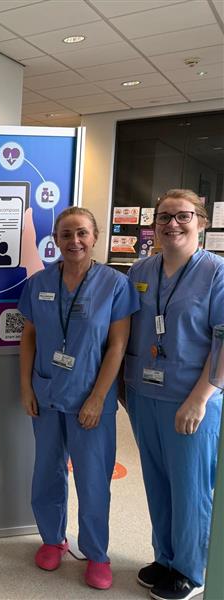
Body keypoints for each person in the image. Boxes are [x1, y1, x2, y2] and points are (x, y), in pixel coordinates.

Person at [18, 206, 139, 590]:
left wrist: (96, 398)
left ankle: (97, 553)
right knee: (46, 473)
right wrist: (25, 387)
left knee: (92, 480)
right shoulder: (38, 283)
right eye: (66, 234)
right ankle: (53, 540)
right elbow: (29, 338)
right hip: (47, 392)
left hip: (92, 399)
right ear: (55, 239)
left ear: (95, 236)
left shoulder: (114, 284)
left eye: (82, 233)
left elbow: (118, 345)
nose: (74, 241)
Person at [124, 189, 224, 600]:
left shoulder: (216, 272)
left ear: (200, 221)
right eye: (164, 217)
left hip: (191, 398)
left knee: (190, 486)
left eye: (182, 216)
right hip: (143, 394)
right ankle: (164, 557)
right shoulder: (140, 270)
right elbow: (124, 330)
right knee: (158, 482)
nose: (172, 225)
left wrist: (201, 397)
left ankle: (190, 569)